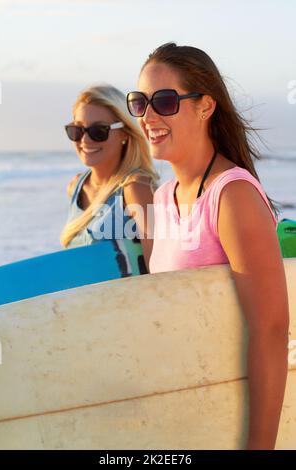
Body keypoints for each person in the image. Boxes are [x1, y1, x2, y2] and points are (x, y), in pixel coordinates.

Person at [127, 42, 289, 449]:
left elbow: (271, 330)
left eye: (164, 101)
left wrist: (260, 447)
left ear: (205, 106)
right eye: (139, 102)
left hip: (229, 420)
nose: (148, 117)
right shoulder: (163, 198)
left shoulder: (231, 196)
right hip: (185, 417)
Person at [61, 84, 158, 274]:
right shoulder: (76, 187)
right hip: (84, 303)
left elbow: (159, 272)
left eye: (99, 131)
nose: (85, 140)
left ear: (124, 133)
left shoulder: (136, 189)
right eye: (77, 130)